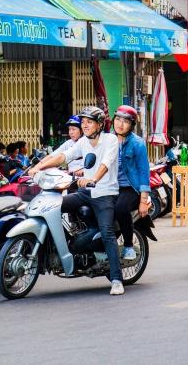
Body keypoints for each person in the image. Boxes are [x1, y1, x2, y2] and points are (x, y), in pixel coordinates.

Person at [29, 106, 124, 295]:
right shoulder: (82, 142)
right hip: (86, 192)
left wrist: (94, 179)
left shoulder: (110, 140)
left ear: (99, 124)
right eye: (83, 122)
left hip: (104, 192)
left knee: (107, 232)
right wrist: (37, 168)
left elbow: (106, 162)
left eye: (89, 122)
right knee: (53, 207)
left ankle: (116, 279)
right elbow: (64, 156)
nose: (85, 125)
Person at [111, 106, 151, 261]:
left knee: (120, 208)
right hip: (111, 186)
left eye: (126, 121)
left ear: (131, 125)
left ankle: (128, 246)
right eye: (118, 119)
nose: (120, 124)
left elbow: (143, 172)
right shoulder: (108, 139)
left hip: (131, 188)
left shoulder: (137, 143)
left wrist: (143, 201)